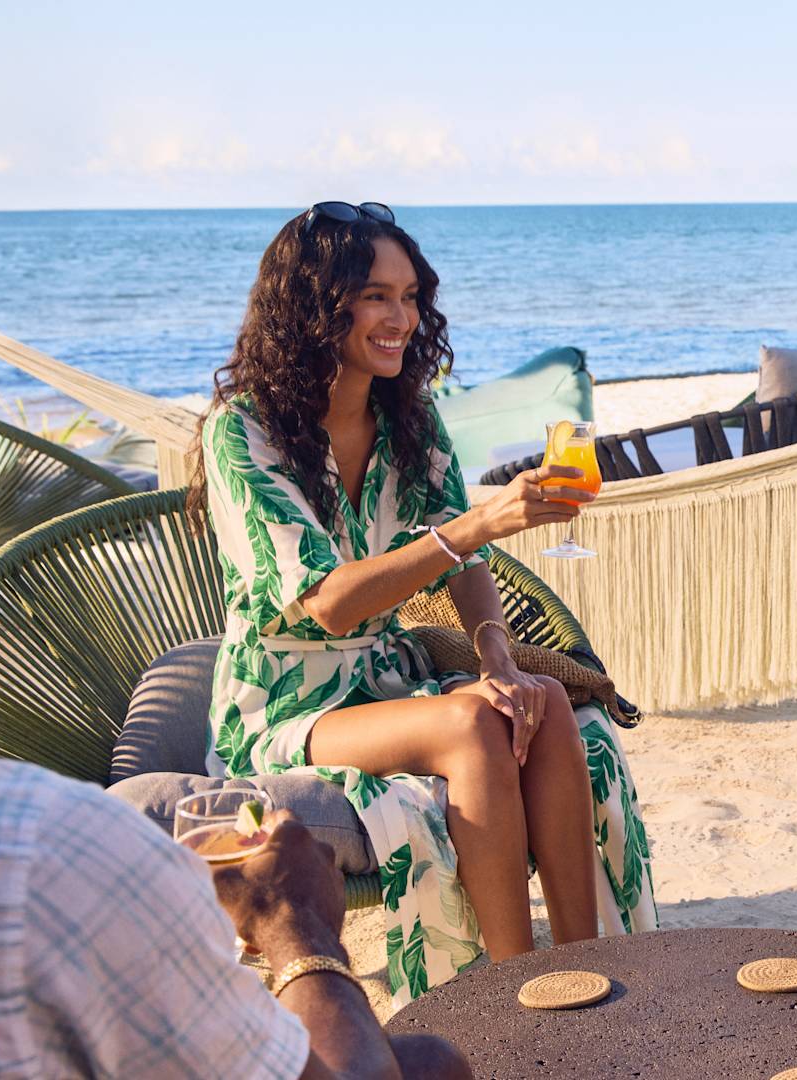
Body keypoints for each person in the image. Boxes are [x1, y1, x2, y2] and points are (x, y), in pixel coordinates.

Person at [0, 318, 466, 1078]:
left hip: (373, 688)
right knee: (430, 1063)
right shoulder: (46, 855)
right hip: (287, 719)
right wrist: (296, 930)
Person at [187, 201, 652, 1002]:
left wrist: (497, 658)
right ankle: (514, 996)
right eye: (375, 296)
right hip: (284, 706)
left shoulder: (406, 417)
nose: (400, 318)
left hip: (382, 679)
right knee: (470, 724)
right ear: (314, 306)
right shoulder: (243, 432)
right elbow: (330, 603)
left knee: (538, 699)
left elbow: (463, 563)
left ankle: (583, 978)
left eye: (409, 297)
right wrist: (479, 523)